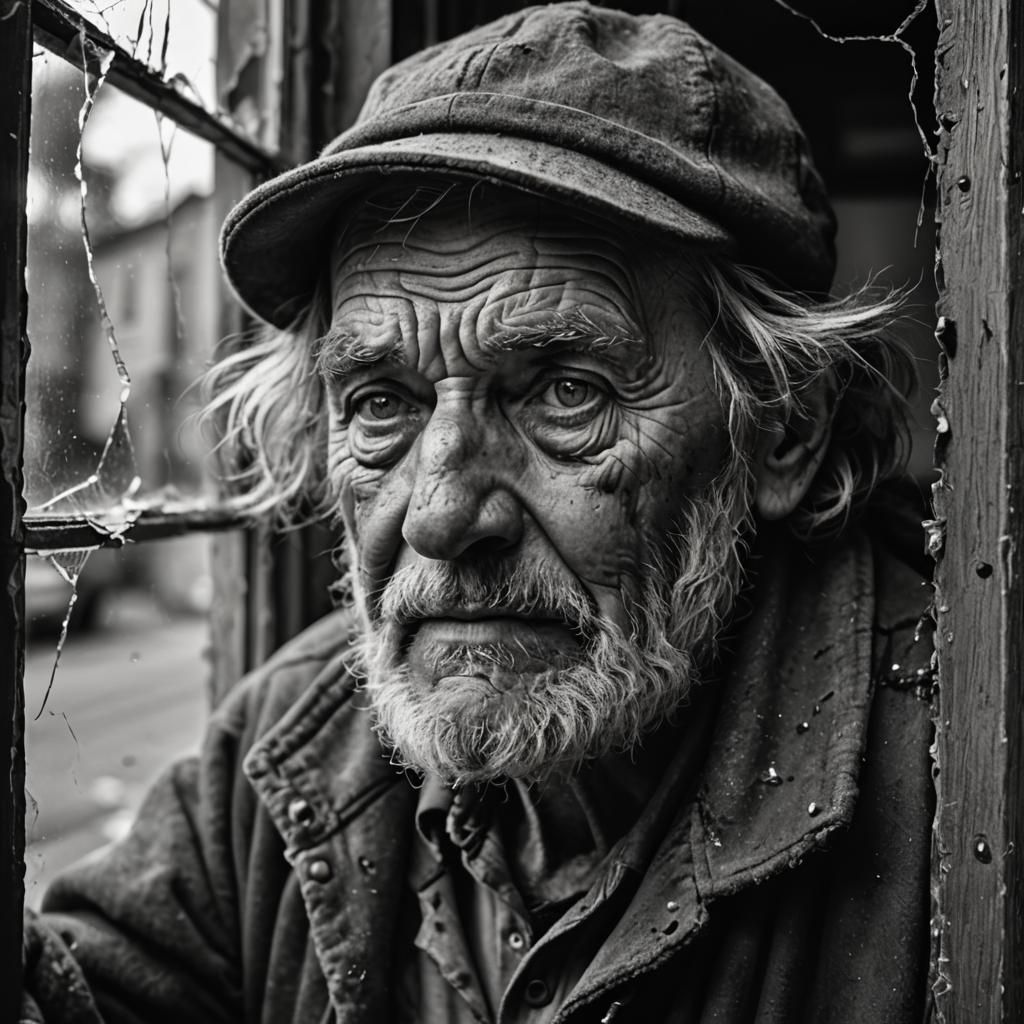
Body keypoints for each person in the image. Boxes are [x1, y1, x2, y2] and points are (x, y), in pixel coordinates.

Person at [23, 4, 934, 1022]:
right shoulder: (286, 747)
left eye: (566, 392)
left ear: (782, 428)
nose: (441, 515)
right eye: (380, 404)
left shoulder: (957, 771)